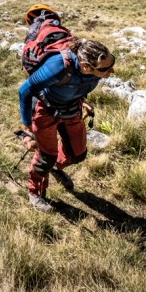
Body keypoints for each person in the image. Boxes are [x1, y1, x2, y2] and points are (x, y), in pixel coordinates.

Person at [18, 38, 115, 212]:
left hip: (71, 109)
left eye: (112, 62)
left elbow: (77, 85)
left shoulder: (95, 71)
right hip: (46, 110)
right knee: (45, 157)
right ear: (86, 66)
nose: (111, 71)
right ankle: (35, 192)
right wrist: (27, 124)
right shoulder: (57, 67)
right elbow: (25, 90)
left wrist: (82, 100)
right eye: (105, 69)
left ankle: (55, 167)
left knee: (77, 154)